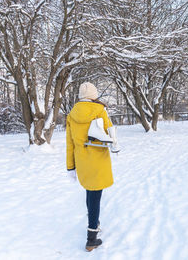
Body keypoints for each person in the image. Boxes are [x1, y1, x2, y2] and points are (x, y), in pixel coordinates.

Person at [66, 82, 115, 251]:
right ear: (94, 95)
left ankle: (94, 223)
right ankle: (91, 237)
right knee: (95, 196)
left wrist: (70, 167)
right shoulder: (100, 111)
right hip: (98, 160)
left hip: (82, 162)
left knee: (90, 192)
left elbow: (70, 144)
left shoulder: (71, 115)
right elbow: (110, 133)